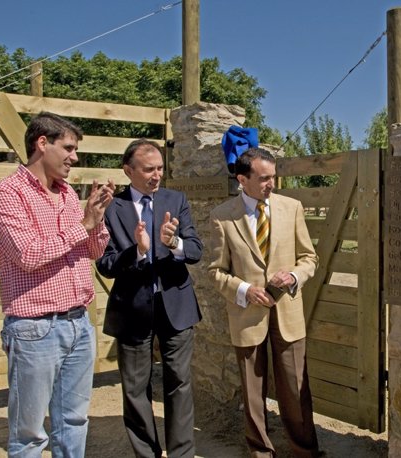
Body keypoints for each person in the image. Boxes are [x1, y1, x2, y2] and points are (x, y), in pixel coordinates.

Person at [0, 112, 115, 457]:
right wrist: (83, 224)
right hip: (34, 329)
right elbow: (28, 254)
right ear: (42, 143)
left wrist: (97, 221)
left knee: (73, 421)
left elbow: (94, 251)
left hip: (79, 324)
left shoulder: (69, 194)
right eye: (68, 148)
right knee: (28, 434)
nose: (75, 157)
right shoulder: (6, 194)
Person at [208, 147, 321, 457]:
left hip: (288, 315)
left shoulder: (292, 207)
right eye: (265, 178)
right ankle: (260, 452)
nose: (273, 183)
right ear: (242, 179)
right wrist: (244, 290)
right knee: (253, 393)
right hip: (247, 316)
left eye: (274, 176)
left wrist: (295, 276)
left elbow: (309, 258)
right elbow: (215, 272)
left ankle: (305, 451)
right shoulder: (222, 217)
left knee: (296, 389)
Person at [96, 138, 202, 458]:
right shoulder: (112, 208)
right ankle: (147, 455)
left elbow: (195, 250)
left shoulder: (176, 199)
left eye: (160, 168)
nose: (156, 175)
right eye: (148, 170)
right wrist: (137, 251)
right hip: (131, 307)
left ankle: (181, 454)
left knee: (179, 383)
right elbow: (105, 263)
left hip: (176, 306)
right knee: (135, 388)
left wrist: (174, 244)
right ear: (128, 170)